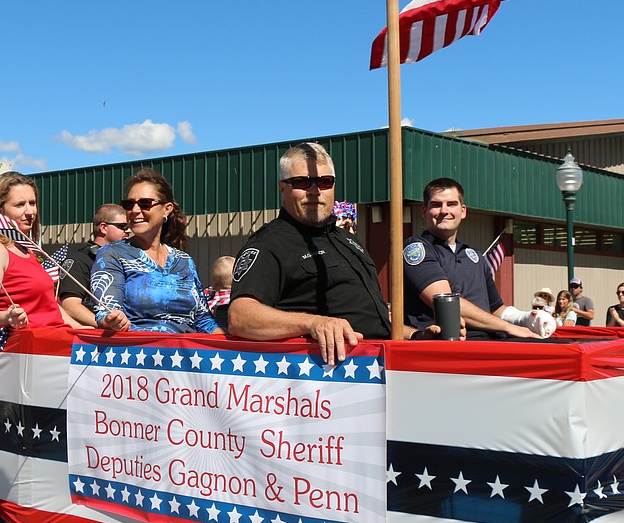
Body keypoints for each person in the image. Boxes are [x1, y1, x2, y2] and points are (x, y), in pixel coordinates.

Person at [228, 143, 450, 364]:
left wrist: (415, 335)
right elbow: (240, 316)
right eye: (302, 182)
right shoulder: (269, 243)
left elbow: (371, 317)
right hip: (332, 380)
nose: (315, 191)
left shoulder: (347, 240)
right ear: (282, 188)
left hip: (385, 367)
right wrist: (314, 324)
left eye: (325, 182)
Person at [401, 177, 548, 341]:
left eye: (451, 204)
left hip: (492, 340)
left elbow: (496, 309)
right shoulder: (416, 249)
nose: (444, 210)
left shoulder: (473, 255)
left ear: (463, 211)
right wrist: (510, 328)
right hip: (454, 346)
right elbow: (447, 304)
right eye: (436, 205)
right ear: (424, 212)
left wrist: (526, 318)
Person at [92, 169, 221, 335]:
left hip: (186, 355)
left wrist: (235, 345)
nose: (135, 210)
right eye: (129, 204)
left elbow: (203, 319)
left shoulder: (184, 260)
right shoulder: (112, 253)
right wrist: (113, 320)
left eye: (145, 203)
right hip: (138, 353)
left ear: (166, 209)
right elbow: (106, 312)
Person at [0, 171, 75, 330]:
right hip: (30, 347)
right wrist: (6, 317)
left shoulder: (27, 250)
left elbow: (52, 310)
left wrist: (91, 328)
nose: (30, 212)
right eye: (20, 205)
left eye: (32, 203)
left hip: (58, 341)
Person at [58, 203, 129, 327]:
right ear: (103, 227)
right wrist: (105, 324)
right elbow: (70, 306)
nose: (128, 231)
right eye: (122, 226)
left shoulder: (127, 260)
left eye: (128, 226)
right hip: (97, 340)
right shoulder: (80, 260)